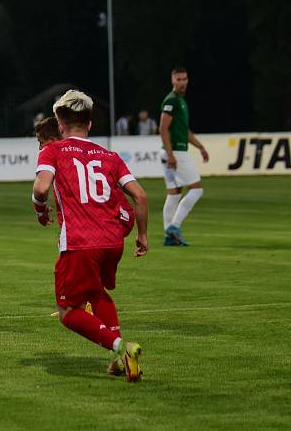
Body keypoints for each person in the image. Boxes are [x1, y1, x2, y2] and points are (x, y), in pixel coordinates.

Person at [32, 90, 148, 382]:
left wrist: (39, 206)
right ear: (90, 124)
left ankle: (122, 346)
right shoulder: (110, 156)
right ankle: (119, 360)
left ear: (59, 124)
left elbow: (42, 188)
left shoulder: (53, 150)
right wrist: (142, 236)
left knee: (67, 311)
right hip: (113, 242)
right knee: (96, 294)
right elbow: (140, 197)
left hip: (81, 243)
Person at [159, 67, 209, 246]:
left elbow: (184, 131)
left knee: (174, 194)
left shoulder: (181, 101)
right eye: (178, 79)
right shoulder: (171, 100)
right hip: (176, 152)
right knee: (196, 190)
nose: (182, 82)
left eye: (184, 79)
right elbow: (163, 128)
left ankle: (169, 236)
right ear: (173, 81)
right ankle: (174, 226)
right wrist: (171, 154)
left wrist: (200, 147)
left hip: (171, 153)